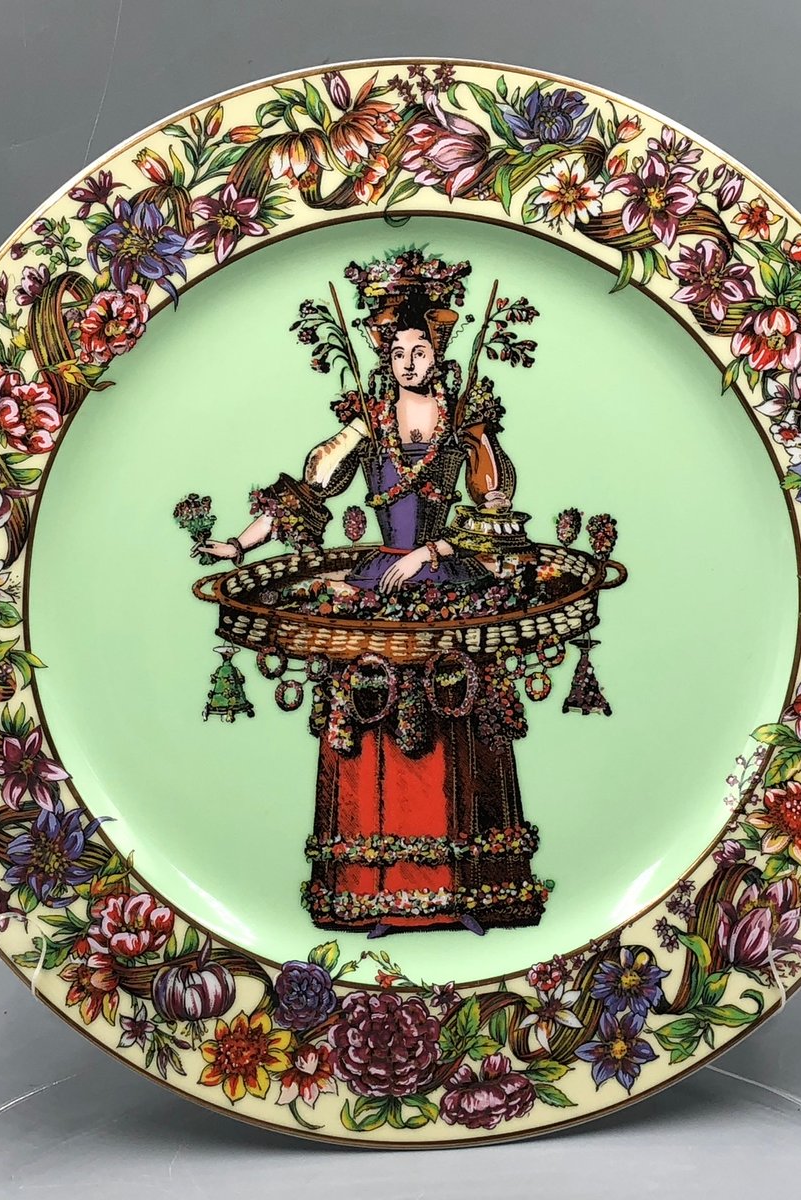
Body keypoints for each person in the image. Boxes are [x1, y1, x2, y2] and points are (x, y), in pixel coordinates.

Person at [200, 277, 547, 937]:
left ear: (439, 353)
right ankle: (375, 895)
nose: (409, 362)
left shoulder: (464, 422)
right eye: (398, 352)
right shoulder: (369, 422)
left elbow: (497, 517)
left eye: (420, 350)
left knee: (457, 717)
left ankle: (463, 896)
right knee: (367, 719)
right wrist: (239, 544)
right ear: (385, 356)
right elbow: (308, 492)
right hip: (379, 578)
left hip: (446, 578)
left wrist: (432, 552)